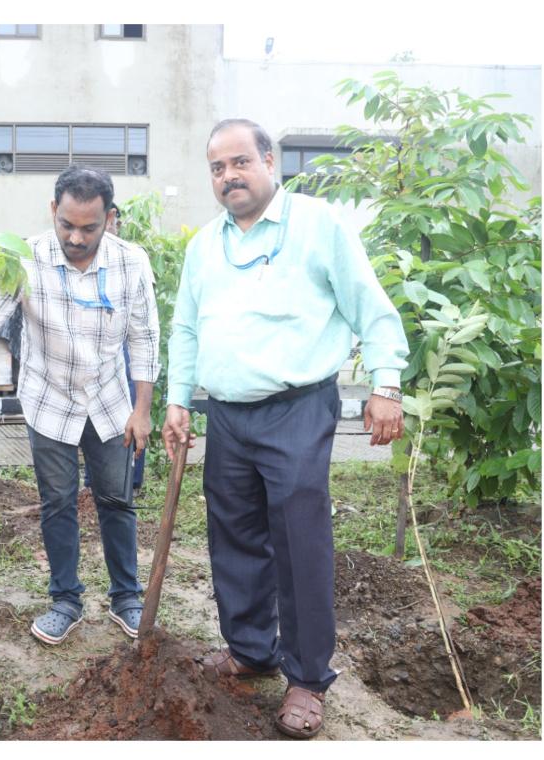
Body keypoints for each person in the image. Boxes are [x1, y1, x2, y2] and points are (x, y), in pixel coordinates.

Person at [162, 118, 407, 739]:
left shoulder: (316, 225)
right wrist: (178, 400)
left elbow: (369, 305)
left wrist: (385, 385)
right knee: (234, 534)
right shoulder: (204, 246)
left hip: (297, 408)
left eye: (240, 162)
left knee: (299, 541)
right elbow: (187, 328)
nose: (228, 177)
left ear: (269, 161)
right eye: (217, 168)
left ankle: (305, 677)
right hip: (228, 415)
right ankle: (250, 649)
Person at [0, 166, 159, 645]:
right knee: (58, 501)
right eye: (67, 224)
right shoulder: (23, 258)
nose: (76, 237)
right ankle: (65, 600)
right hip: (49, 399)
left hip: (109, 401)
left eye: (89, 227)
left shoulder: (132, 262)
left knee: (116, 498)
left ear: (109, 218)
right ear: (53, 212)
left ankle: (126, 595)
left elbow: (145, 338)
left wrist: (142, 409)